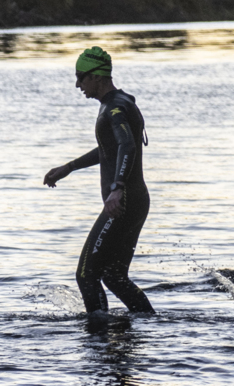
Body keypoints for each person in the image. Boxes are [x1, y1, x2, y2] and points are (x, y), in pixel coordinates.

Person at [44, 47, 155, 317]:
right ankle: (150, 323)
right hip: (136, 200)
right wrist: (69, 167)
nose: (77, 84)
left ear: (97, 77)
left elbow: (127, 146)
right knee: (114, 276)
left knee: (86, 274)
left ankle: (98, 338)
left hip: (124, 202)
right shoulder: (121, 103)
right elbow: (111, 148)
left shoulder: (114, 108)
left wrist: (116, 189)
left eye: (80, 77)